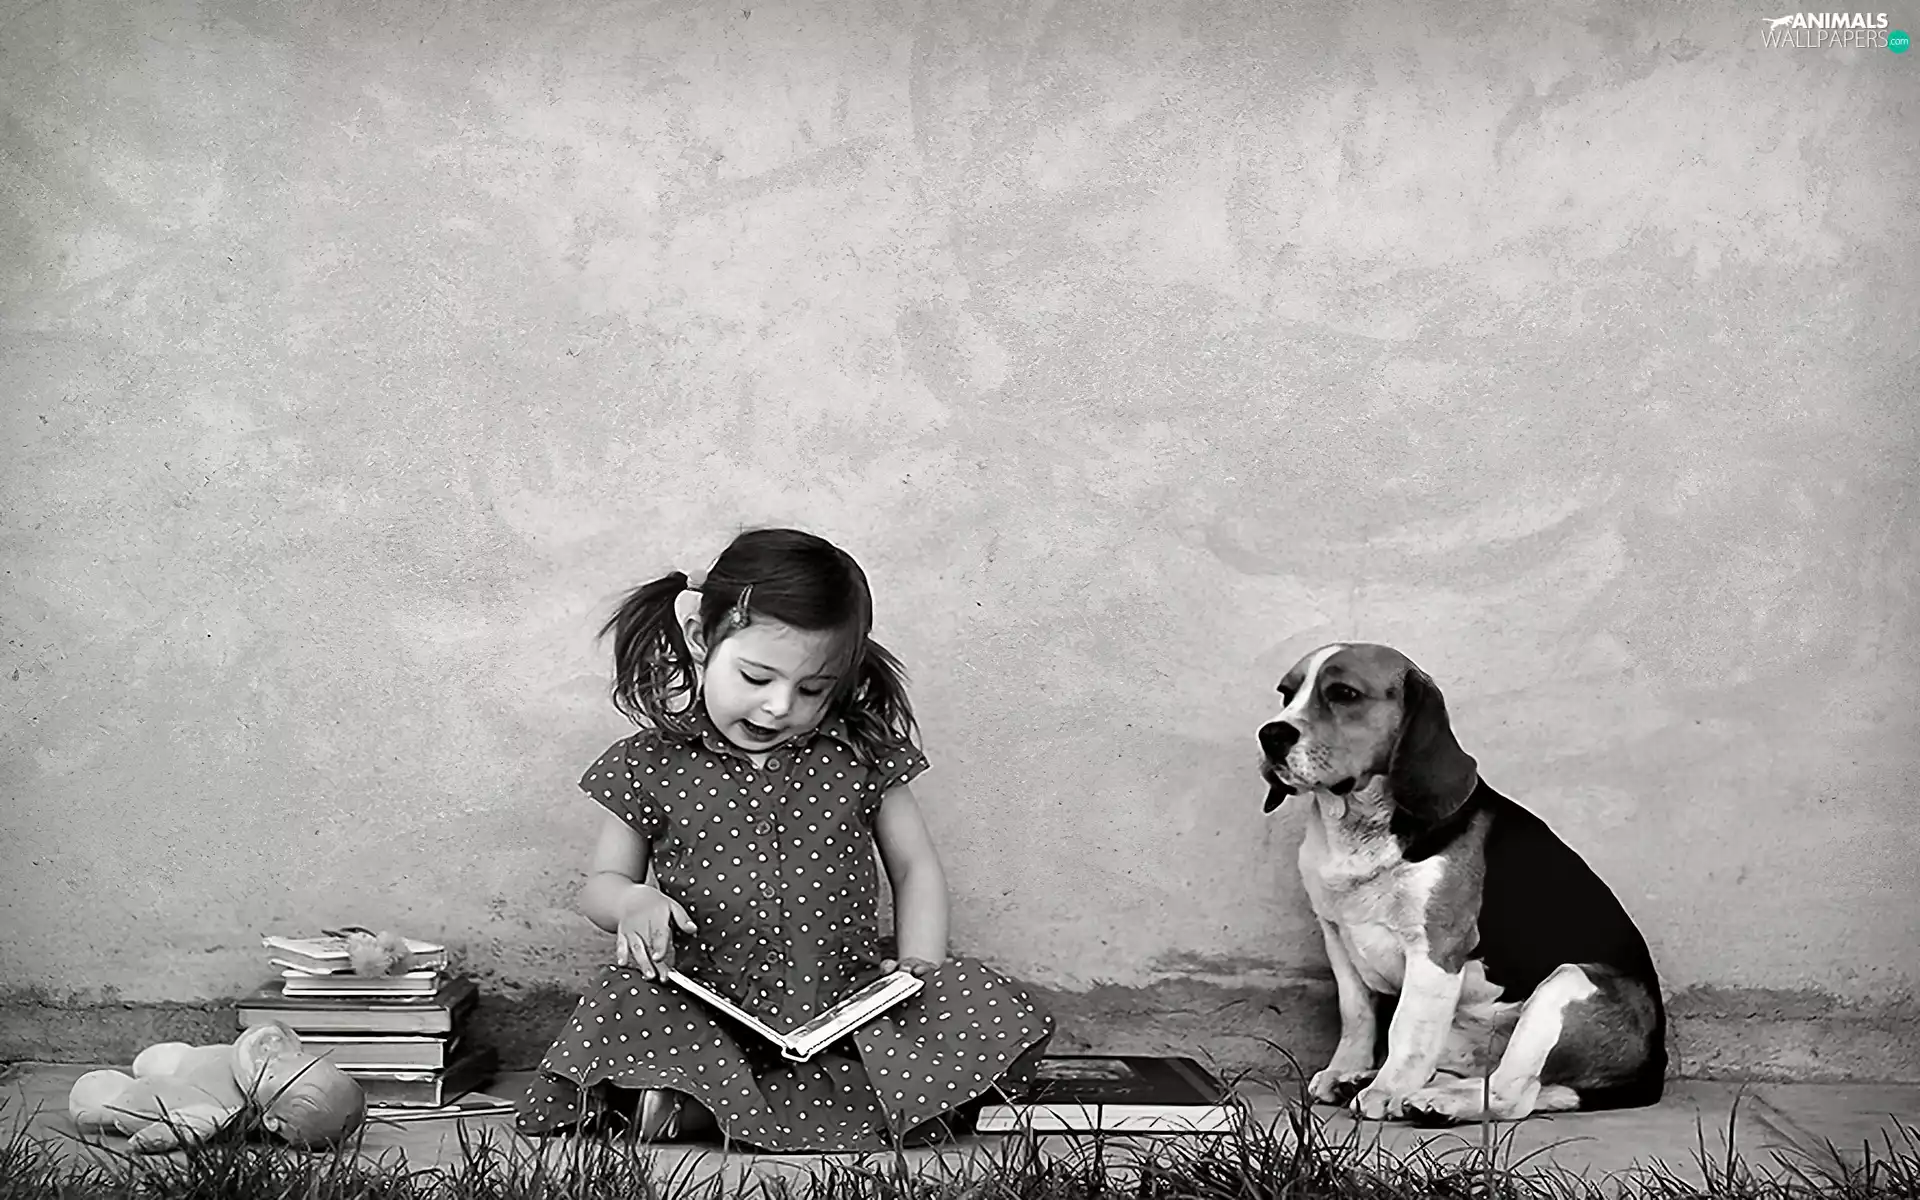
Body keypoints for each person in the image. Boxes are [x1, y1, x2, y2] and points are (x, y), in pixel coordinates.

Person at [517, 527, 1054, 1151]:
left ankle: (733, 1111)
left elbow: (914, 869)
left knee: (967, 997)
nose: (778, 707)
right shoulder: (651, 764)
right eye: (755, 677)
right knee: (625, 998)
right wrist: (632, 904)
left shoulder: (859, 754)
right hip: (714, 1003)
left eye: (811, 690)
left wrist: (917, 968)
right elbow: (601, 886)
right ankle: (694, 1101)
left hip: (842, 997)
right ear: (701, 641)